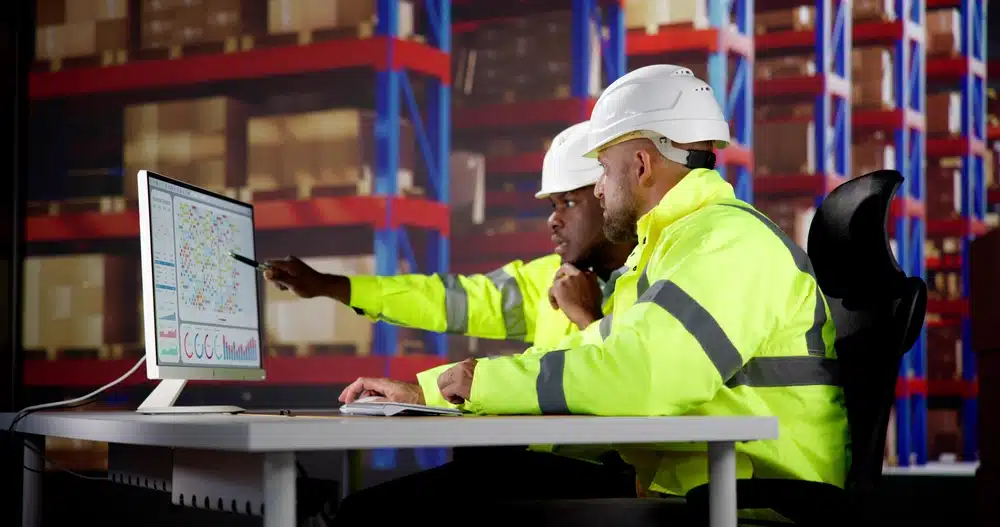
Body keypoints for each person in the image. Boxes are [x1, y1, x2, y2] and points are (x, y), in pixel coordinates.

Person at [333, 64, 849, 521]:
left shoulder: (727, 243)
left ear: (642, 165)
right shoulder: (675, 247)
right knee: (485, 472)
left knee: (395, 511)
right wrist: (429, 392)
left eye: (603, 169)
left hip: (752, 504)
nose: (599, 189)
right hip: (699, 487)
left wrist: (479, 380)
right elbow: (599, 355)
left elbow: (644, 376)